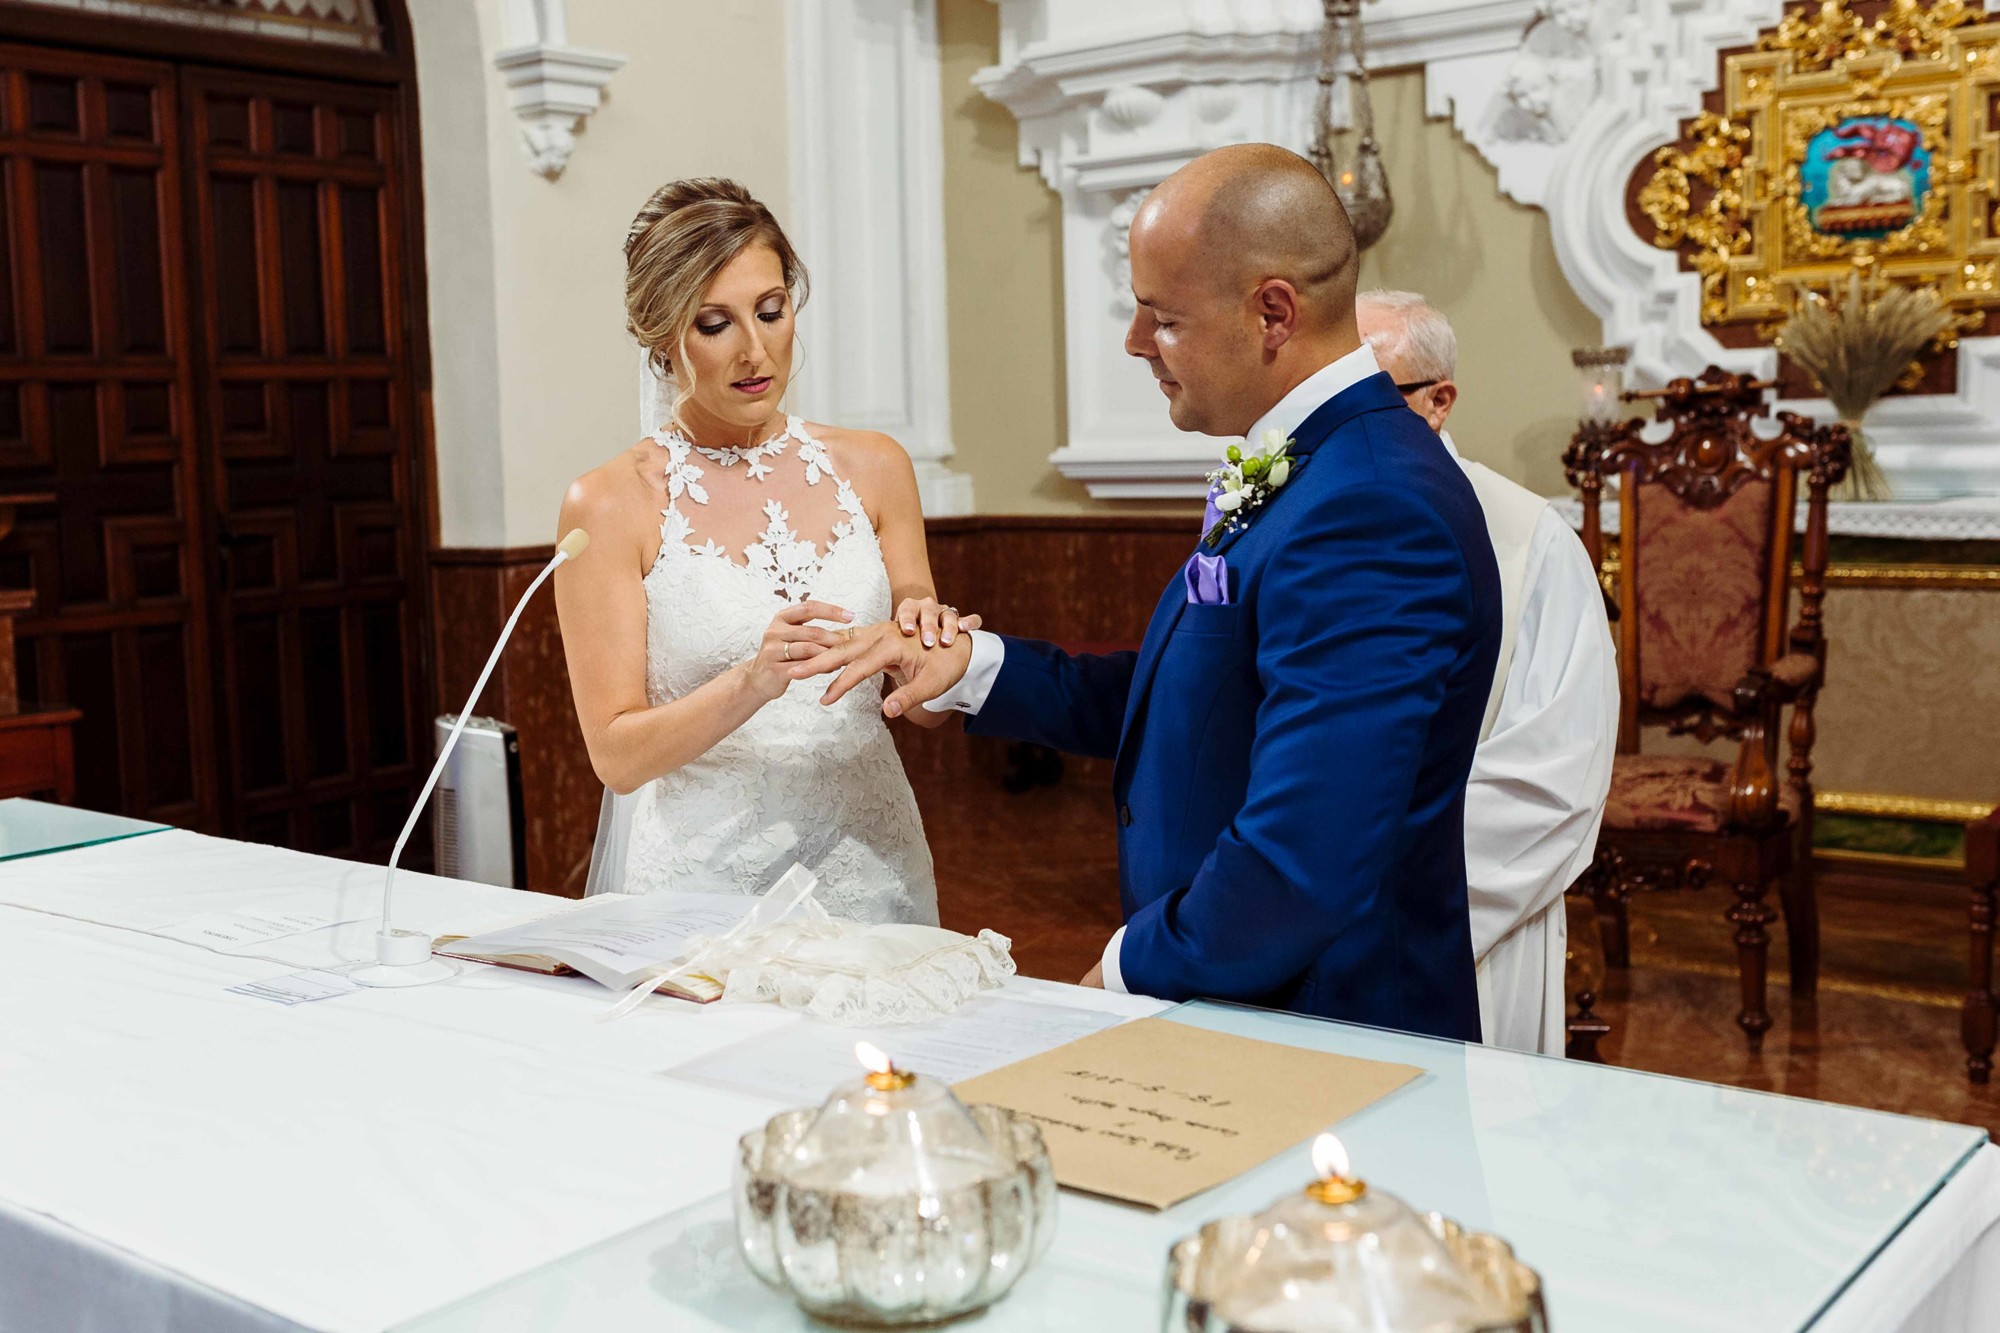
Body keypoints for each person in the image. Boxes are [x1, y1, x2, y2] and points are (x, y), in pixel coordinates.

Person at [800, 145, 1502, 1041]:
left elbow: (1303, 857)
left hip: (1330, 1026)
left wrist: (1128, 967)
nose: (1136, 343)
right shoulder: (1311, 468)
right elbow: (1195, 695)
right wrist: (972, 665)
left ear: (1273, 312)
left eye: (1161, 317)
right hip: (1257, 1009)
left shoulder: (1370, 504)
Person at [553, 178, 968, 923]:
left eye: (772, 311)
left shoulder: (875, 466)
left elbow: (926, 706)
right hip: (706, 888)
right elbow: (616, 756)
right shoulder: (611, 503)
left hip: (874, 869)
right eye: (715, 324)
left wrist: (930, 656)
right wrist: (752, 680)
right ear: (660, 335)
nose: (755, 350)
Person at [1357, 289, 1618, 1056]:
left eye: (1373, 398)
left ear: (1438, 402)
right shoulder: (1301, 522)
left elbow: (1552, 779)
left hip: (1455, 921)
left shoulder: (1529, 542)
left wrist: (1382, 902)